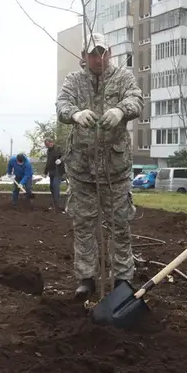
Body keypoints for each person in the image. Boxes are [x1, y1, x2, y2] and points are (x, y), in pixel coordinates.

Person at [56, 32, 143, 299]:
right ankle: (86, 278)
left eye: (103, 53)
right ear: (84, 57)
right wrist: (75, 114)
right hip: (81, 168)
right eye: (93, 54)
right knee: (83, 225)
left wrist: (120, 110)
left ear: (111, 52)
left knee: (119, 225)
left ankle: (122, 280)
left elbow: (137, 100)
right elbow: (62, 104)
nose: (99, 58)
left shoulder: (123, 77)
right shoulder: (74, 80)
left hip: (115, 169)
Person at [43, 136, 65, 211]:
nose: (47, 146)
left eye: (48, 144)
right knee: (51, 187)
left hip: (58, 171)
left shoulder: (58, 148)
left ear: (52, 143)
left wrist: (60, 160)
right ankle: (55, 203)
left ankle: (58, 205)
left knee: (55, 186)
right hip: (51, 171)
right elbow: (48, 162)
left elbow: (65, 155)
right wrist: (45, 172)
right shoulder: (48, 151)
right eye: (46, 145)